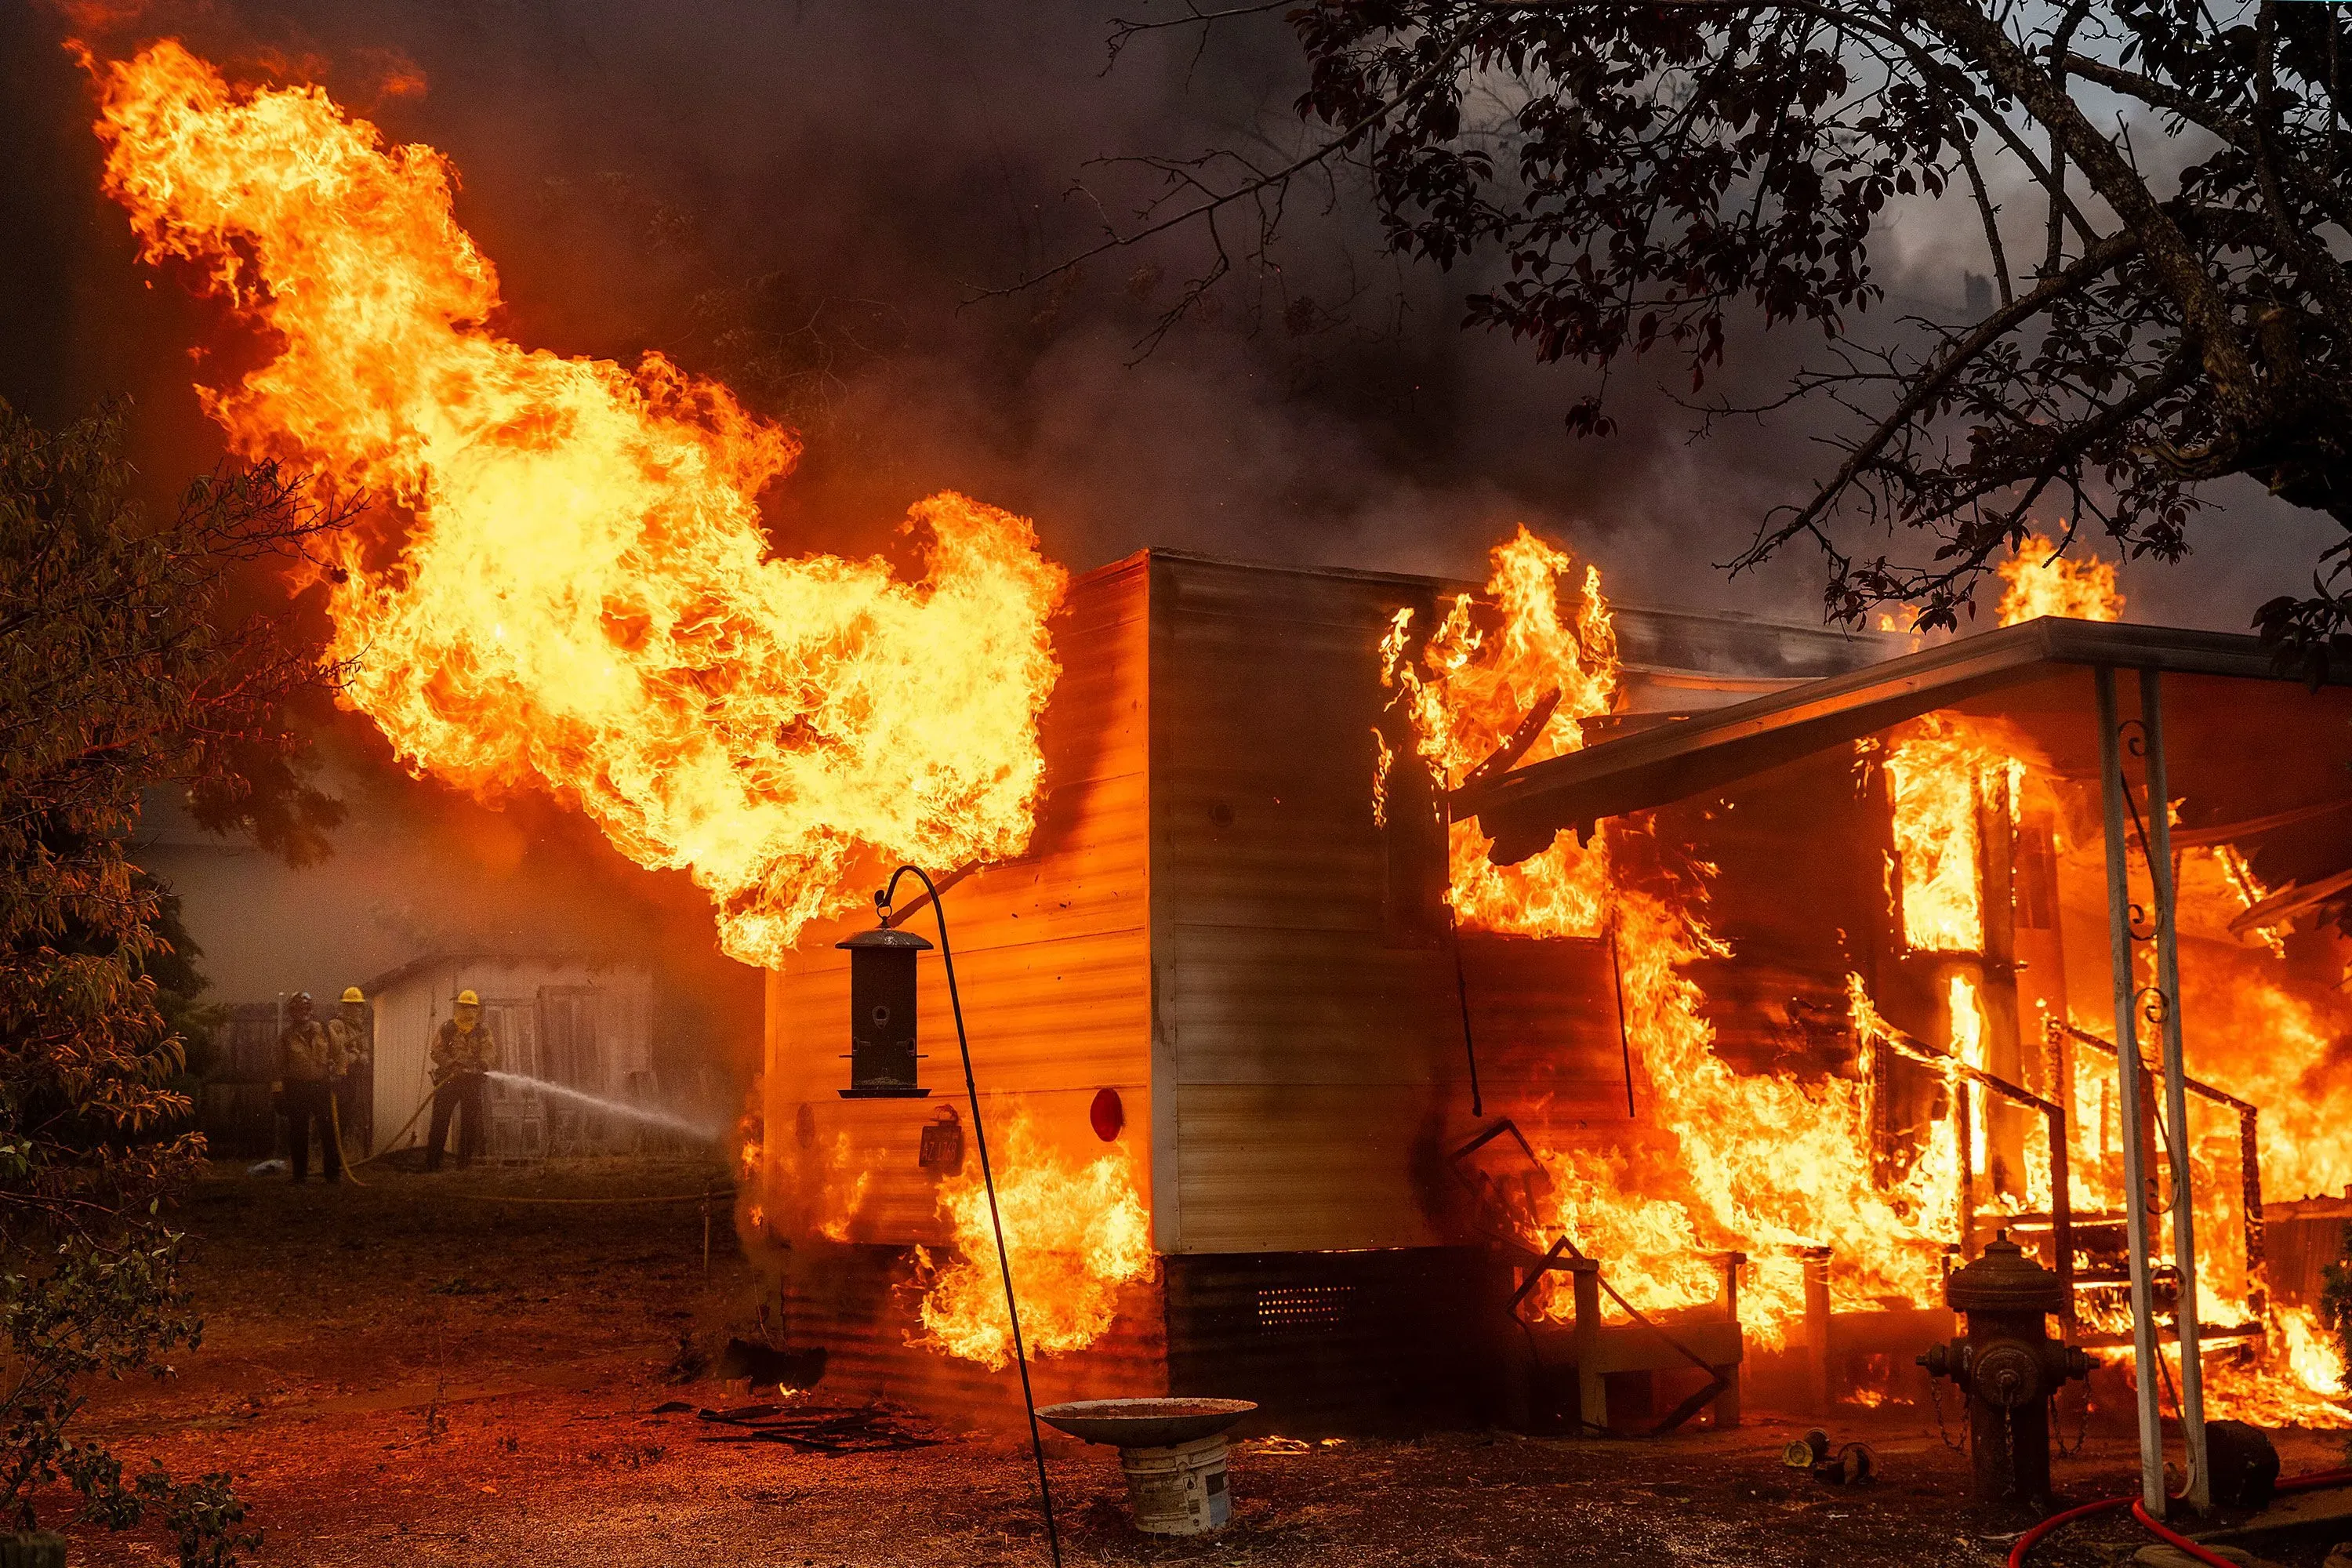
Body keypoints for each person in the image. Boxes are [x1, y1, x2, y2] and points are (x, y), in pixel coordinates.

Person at [273, 991, 342, 1183]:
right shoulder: (285, 1038)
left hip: (321, 1086)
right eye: (298, 1009)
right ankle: (300, 1174)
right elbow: (277, 1067)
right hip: (296, 1088)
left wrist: (338, 1074)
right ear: (292, 1013)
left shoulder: (326, 1032)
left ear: (311, 1010)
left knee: (327, 1129)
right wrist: (278, 1092)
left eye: (306, 1008)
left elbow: (339, 1055)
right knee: (298, 1131)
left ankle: (332, 1173)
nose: (302, 1013)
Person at [425, 988, 497, 1171]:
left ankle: (464, 1165)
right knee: (440, 1121)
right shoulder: (448, 1028)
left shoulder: (482, 1030)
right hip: (449, 1079)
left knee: (469, 1123)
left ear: (477, 1010)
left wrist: (482, 1063)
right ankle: (433, 1164)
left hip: (471, 1081)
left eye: (472, 1008)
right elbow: (436, 1051)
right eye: (464, 1007)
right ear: (458, 1008)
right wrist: (451, 1064)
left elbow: (490, 1051)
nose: (468, 1011)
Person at [325, 985, 372, 1157]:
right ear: (345, 1006)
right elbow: (336, 1049)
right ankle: (332, 1154)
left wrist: (363, 1056)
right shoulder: (336, 1025)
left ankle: (340, 1154)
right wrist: (352, 1058)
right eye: (352, 1005)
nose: (356, 1009)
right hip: (340, 1077)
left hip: (355, 1076)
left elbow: (363, 1048)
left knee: (350, 1113)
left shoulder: (360, 1028)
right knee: (338, 1114)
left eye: (358, 1005)